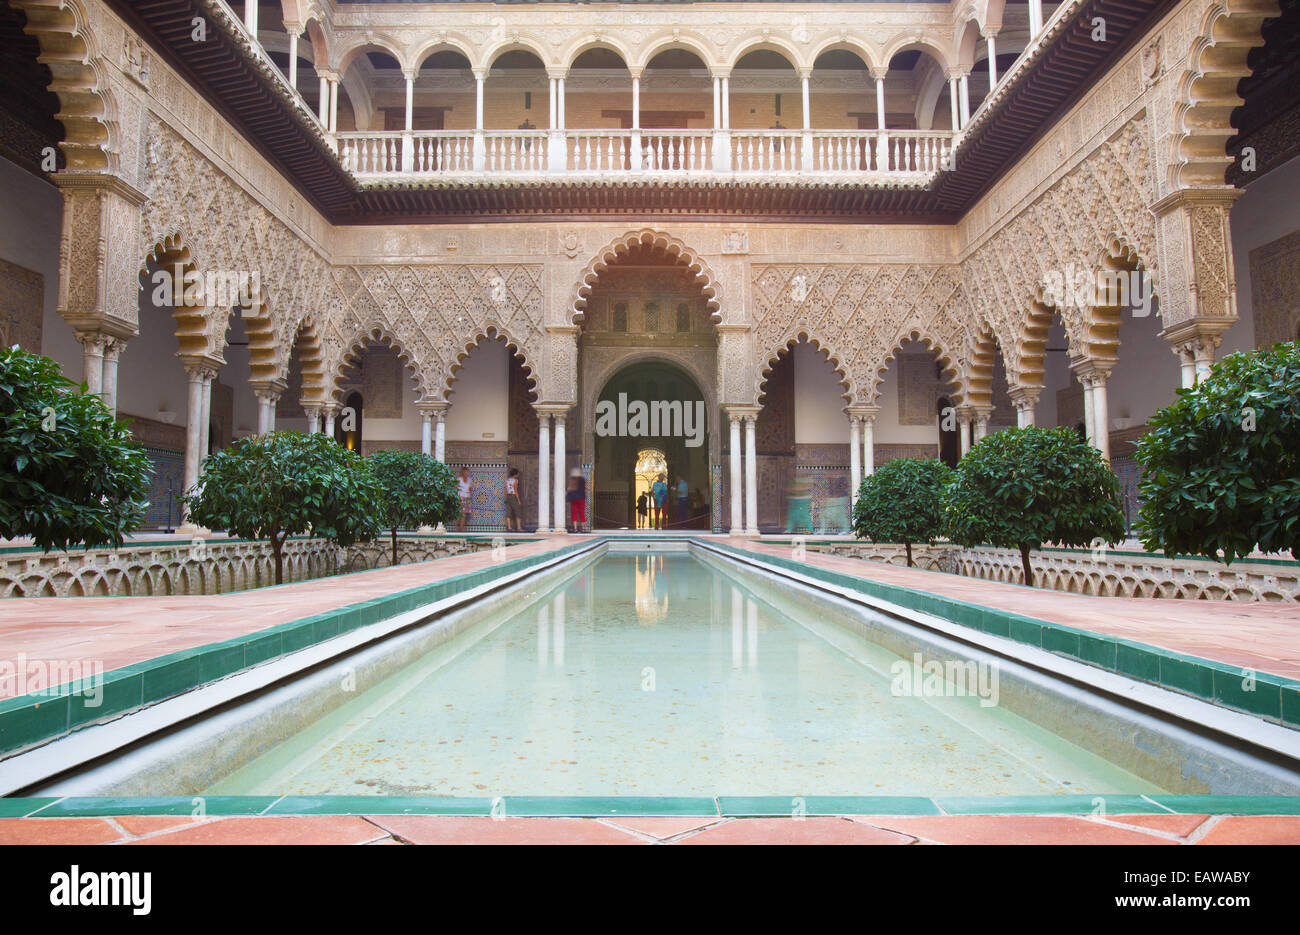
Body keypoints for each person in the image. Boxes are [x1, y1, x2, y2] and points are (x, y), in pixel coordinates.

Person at [566, 467, 587, 532]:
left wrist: (567, 490)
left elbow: (571, 488)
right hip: (581, 498)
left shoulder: (573, 480)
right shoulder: (583, 479)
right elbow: (586, 487)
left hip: (574, 498)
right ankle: (583, 528)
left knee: (574, 513)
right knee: (582, 513)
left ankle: (575, 529)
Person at [504, 467, 522, 533]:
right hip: (513, 496)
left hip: (508, 496)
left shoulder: (507, 480)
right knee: (518, 512)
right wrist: (518, 500)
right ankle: (519, 527)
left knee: (508, 512)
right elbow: (515, 491)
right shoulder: (515, 481)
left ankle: (509, 527)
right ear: (515, 474)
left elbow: (505, 489)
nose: (518, 475)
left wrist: (505, 498)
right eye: (518, 474)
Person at [457, 467, 472, 532]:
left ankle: (460, 526)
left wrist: (470, 493)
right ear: (462, 472)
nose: (466, 473)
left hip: (467, 498)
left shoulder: (469, 480)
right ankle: (461, 528)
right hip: (461, 497)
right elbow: (456, 488)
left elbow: (470, 488)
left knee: (465, 514)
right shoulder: (459, 479)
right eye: (465, 472)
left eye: (467, 472)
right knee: (462, 514)